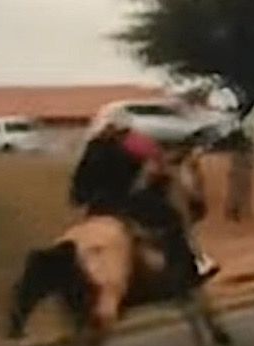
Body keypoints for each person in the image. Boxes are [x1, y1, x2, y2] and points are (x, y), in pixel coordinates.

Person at [70, 114, 217, 288]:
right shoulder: (132, 148)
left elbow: (76, 195)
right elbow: (149, 180)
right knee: (173, 220)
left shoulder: (89, 152)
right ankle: (189, 273)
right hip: (126, 205)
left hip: (96, 209)